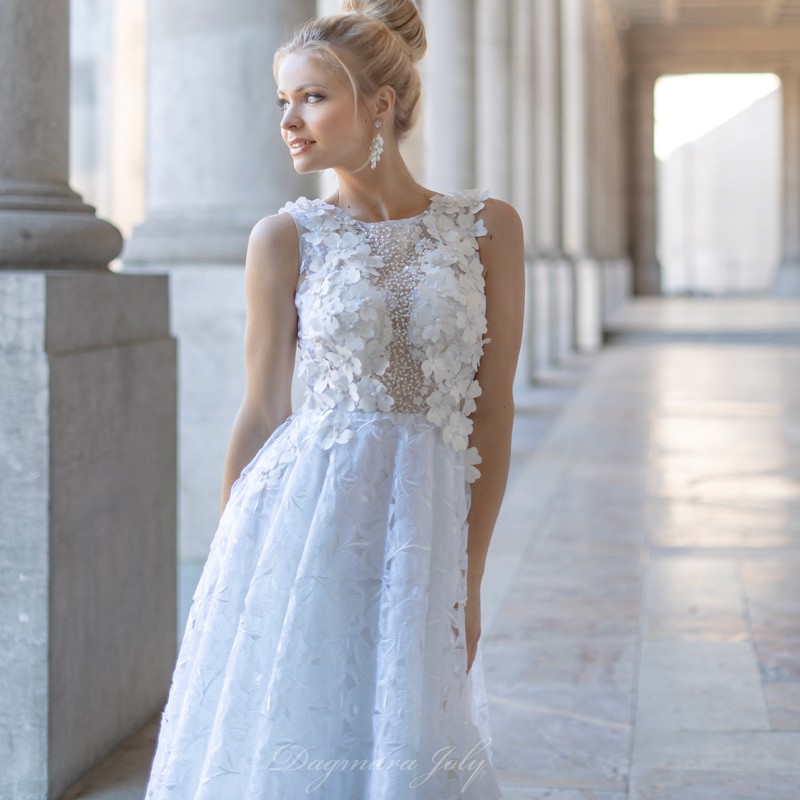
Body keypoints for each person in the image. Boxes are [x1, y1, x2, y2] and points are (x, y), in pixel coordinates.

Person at [144, 1, 524, 797]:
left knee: (407, 729)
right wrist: (230, 576)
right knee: (306, 726)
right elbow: (261, 412)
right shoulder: (284, 235)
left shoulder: (487, 228)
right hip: (303, 522)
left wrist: (471, 574)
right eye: (282, 101)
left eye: (312, 97)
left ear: (380, 102)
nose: (289, 119)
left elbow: (493, 407)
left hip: (422, 525)